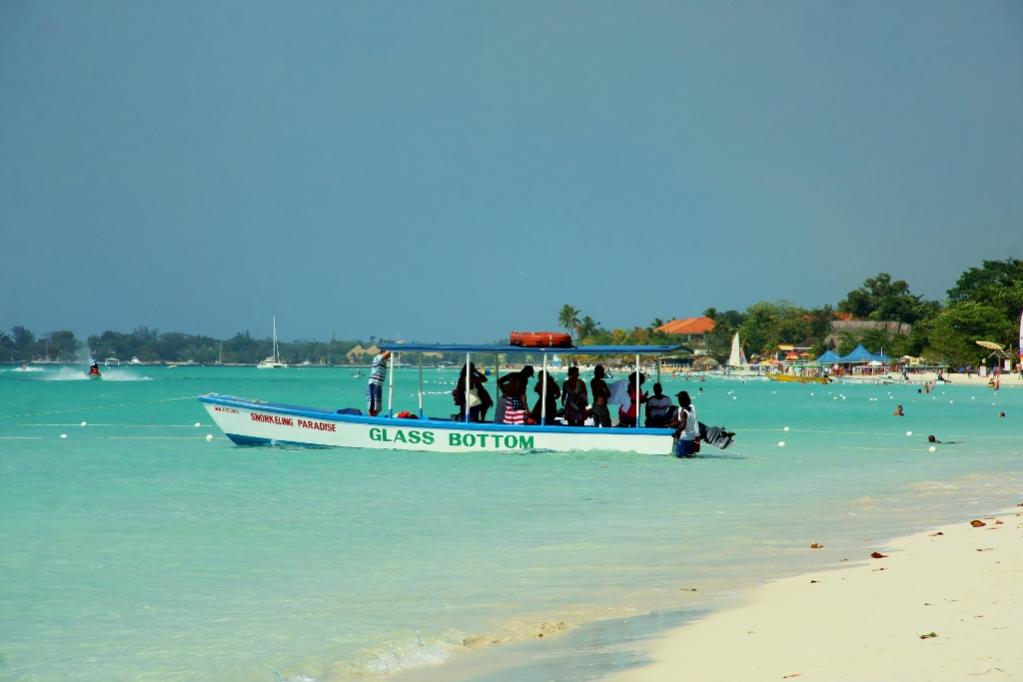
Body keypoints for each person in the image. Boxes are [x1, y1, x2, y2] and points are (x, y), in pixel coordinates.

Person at [672, 390, 699, 457]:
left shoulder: (683, 412)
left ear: (681, 401)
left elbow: (684, 425)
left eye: (679, 399)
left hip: (684, 438)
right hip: (691, 438)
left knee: (679, 457)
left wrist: (676, 432)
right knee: (688, 457)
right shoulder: (691, 410)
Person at [366, 350, 391, 416]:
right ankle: (372, 419)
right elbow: (388, 352)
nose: (390, 356)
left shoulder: (383, 361)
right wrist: (395, 347)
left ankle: (373, 417)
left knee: (377, 407)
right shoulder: (378, 358)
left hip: (378, 385)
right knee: (373, 407)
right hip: (374, 384)